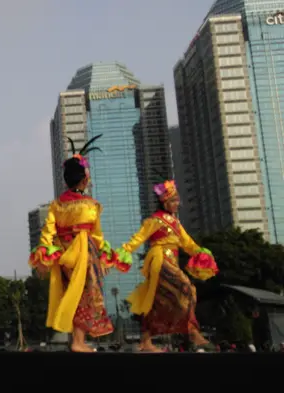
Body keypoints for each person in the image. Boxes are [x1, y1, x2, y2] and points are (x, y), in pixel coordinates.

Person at [28, 135, 131, 352]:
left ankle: (75, 340)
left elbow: (47, 232)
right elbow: (98, 235)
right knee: (86, 294)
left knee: (71, 294)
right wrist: (105, 256)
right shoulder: (91, 205)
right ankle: (78, 341)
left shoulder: (56, 205)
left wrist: (44, 257)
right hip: (85, 253)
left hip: (64, 255)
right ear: (84, 179)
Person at [118, 177, 218, 352]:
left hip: (172, 261)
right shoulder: (155, 220)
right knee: (187, 288)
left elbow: (187, 243)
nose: (177, 203)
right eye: (173, 200)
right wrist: (125, 250)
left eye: (177, 200)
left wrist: (200, 251)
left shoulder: (176, 222)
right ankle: (193, 332)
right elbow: (139, 237)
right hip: (160, 260)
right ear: (165, 202)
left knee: (160, 302)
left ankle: (146, 341)